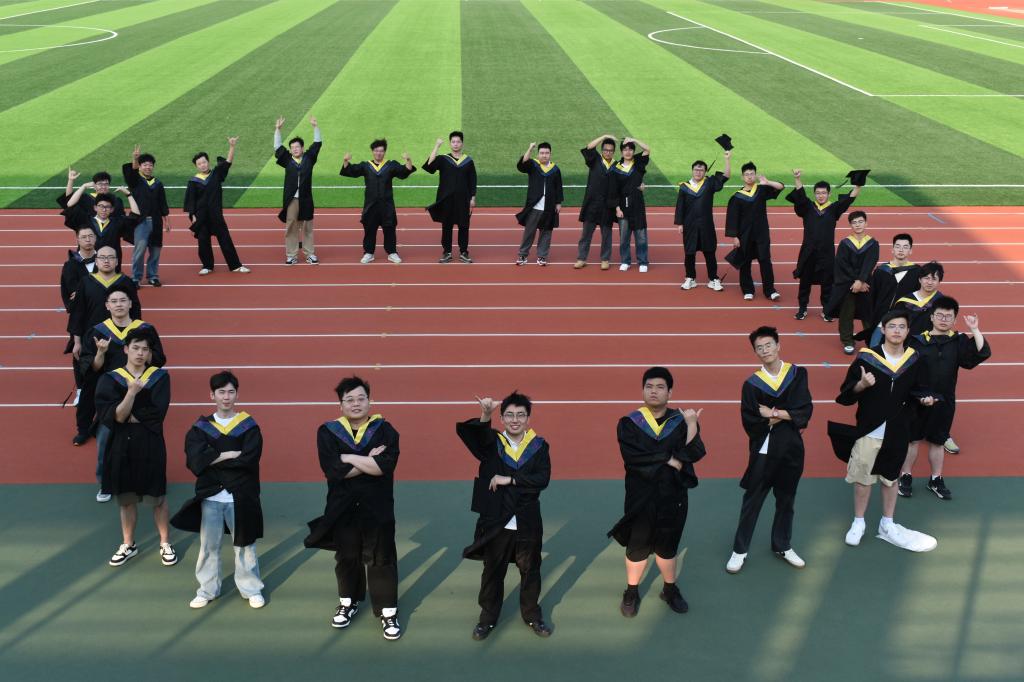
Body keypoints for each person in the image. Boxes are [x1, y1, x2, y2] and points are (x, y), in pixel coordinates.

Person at [828, 310, 938, 552]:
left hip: (897, 430)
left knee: (891, 478)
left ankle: (887, 523)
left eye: (902, 327)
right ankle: (858, 522)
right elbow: (845, 396)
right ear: (883, 330)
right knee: (863, 479)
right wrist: (861, 385)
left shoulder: (915, 360)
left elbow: (921, 390)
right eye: (892, 326)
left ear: (908, 331)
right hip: (869, 430)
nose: (897, 331)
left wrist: (926, 399)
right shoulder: (866, 358)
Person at [304, 377, 403, 641]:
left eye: (361, 398)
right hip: (342, 508)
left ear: (370, 401)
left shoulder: (385, 430)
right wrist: (367, 460)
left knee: (381, 557)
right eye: (349, 399)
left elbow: (384, 467)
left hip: (378, 508)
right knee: (347, 556)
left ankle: (388, 611)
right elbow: (334, 471)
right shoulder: (327, 432)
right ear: (341, 405)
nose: (356, 404)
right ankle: (348, 602)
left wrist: (348, 457)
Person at [609, 367, 706, 617]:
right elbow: (633, 457)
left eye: (660, 387)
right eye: (649, 387)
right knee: (637, 547)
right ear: (643, 390)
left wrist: (692, 425)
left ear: (670, 393)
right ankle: (631, 591)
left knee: (668, 546)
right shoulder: (629, 423)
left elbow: (694, 452)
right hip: (640, 497)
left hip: (673, 496)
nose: (654, 391)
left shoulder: (681, 421)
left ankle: (669, 589)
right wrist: (669, 458)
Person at [456, 392, 552, 641]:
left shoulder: (539, 446)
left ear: (528, 418)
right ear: (501, 418)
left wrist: (509, 479)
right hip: (497, 520)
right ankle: (487, 618)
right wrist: (485, 414)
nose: (515, 420)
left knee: (530, 570)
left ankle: (532, 615)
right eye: (509, 415)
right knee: (492, 571)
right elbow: (478, 439)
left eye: (520, 415)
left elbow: (542, 479)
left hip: (527, 520)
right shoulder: (493, 445)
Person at [171, 371, 266, 609]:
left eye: (231, 392)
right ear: (212, 395)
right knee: (208, 547)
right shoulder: (200, 428)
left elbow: (248, 460)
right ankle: (207, 589)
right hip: (211, 496)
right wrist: (228, 454)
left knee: (245, 545)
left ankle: (251, 588)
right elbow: (195, 461)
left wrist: (211, 458)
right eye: (221, 392)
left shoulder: (249, 427)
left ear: (237, 395)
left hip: (240, 495)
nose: (226, 397)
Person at [726, 327, 812, 574]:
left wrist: (773, 413)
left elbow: (804, 410)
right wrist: (784, 415)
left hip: (791, 448)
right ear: (755, 352)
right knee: (752, 500)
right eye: (759, 348)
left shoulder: (797, 374)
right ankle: (739, 550)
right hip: (764, 450)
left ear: (778, 345)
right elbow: (750, 419)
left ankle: (782, 544)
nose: (765, 350)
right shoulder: (751, 384)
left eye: (768, 345)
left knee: (786, 500)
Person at [94, 327, 176, 567]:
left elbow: (156, 414)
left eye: (145, 349)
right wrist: (131, 394)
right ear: (126, 349)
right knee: (127, 499)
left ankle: (165, 543)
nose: (140, 353)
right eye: (136, 348)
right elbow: (114, 417)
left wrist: (125, 412)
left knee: (157, 497)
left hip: (151, 443)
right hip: (121, 445)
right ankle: (128, 544)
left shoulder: (160, 377)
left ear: (150, 354)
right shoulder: (110, 378)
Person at [899, 298, 990, 500]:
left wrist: (974, 329)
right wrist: (919, 396)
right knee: (912, 440)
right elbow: (904, 371)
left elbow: (981, 352)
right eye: (939, 315)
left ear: (954, 320)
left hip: (944, 400)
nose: (943, 319)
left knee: (938, 441)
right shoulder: (916, 341)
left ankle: (935, 479)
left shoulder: (958, 341)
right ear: (931, 317)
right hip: (916, 400)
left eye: (948, 316)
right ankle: (905, 476)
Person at [79, 289, 164, 502]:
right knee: (106, 440)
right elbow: (92, 369)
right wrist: (100, 352)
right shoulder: (98, 331)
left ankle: (147, 481)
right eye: (114, 301)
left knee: (146, 440)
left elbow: (159, 360)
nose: (119, 305)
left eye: (123, 300)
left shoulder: (146, 330)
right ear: (107, 305)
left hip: (142, 390)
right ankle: (106, 483)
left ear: (130, 304)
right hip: (111, 392)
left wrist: (143, 350)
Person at [67, 246, 141, 446]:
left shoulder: (125, 282)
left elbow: (136, 312)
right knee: (89, 388)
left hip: (121, 342)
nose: (107, 261)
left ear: (117, 261)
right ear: (96, 260)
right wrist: (77, 341)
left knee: (121, 385)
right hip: (93, 342)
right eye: (102, 257)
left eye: (111, 257)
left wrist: (136, 341)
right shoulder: (86, 282)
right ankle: (83, 429)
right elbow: (78, 313)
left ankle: (117, 422)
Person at [787, 172, 859, 318]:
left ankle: (827, 309)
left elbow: (849, 199)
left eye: (824, 193)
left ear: (829, 194)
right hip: (809, 251)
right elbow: (800, 194)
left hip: (826, 253)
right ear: (814, 194)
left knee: (827, 282)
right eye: (818, 193)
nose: (821, 196)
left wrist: (858, 185)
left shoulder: (834, 208)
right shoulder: (808, 207)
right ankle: (802, 308)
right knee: (805, 282)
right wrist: (797, 178)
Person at [340, 138, 416, 264]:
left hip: (387, 205)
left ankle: (392, 252)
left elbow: (405, 171)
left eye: (381, 151)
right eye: (376, 151)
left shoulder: (391, 165)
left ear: (384, 152)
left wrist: (408, 160)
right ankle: (369, 253)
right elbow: (350, 170)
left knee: (389, 229)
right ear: (372, 151)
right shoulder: (366, 166)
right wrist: (346, 160)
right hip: (371, 205)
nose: (378, 153)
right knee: (369, 229)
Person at [184, 137, 250, 276]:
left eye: (204, 162)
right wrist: (193, 218)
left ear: (208, 162)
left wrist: (232, 146)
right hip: (201, 217)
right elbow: (191, 202)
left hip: (216, 215)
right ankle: (207, 266)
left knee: (225, 239)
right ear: (196, 166)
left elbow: (228, 162)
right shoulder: (193, 182)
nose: (202, 165)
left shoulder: (216, 174)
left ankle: (235, 265)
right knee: (203, 241)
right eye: (199, 163)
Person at [725, 163, 784, 300]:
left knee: (765, 261)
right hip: (744, 235)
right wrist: (734, 236)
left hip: (761, 233)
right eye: (747, 174)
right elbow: (732, 218)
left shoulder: (761, 190)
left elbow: (781, 187)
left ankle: (770, 290)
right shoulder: (737, 197)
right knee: (745, 263)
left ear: (755, 175)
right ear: (742, 177)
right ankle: (748, 290)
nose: (749, 177)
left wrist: (768, 182)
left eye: (752, 174)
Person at [823, 211, 879, 355]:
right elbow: (842, 265)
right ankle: (847, 341)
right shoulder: (845, 243)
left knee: (869, 314)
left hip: (865, 284)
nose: (857, 225)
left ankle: (872, 341)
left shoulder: (873, 243)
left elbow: (870, 263)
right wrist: (856, 281)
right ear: (850, 225)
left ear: (866, 223)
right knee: (846, 313)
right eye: (854, 222)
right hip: (848, 284)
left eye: (860, 221)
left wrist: (861, 281)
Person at [675, 151, 731, 291]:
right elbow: (680, 206)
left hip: (706, 225)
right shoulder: (684, 187)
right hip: (690, 225)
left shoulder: (709, 183)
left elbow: (726, 176)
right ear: (692, 171)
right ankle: (690, 278)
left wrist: (727, 159)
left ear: (705, 172)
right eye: (696, 170)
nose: (698, 172)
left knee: (710, 252)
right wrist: (680, 223)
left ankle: (713, 279)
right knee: (689, 253)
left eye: (701, 170)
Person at [274, 116, 322, 265]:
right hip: (292, 200)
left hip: (306, 198)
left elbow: (317, 143)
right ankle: (291, 255)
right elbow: (277, 147)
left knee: (307, 227)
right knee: (291, 227)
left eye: (297, 147)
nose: (294, 149)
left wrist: (315, 127)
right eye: (292, 147)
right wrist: (278, 130)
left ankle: (310, 254)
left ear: (302, 148)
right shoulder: (287, 160)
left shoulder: (309, 158)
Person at [423, 131, 476, 263]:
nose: (456, 144)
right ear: (450, 143)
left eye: (458, 142)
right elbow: (429, 165)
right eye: (453, 142)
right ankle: (447, 252)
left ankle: (464, 252)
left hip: (463, 199)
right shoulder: (443, 159)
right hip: (446, 198)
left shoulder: (468, 161)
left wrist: (473, 197)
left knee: (464, 225)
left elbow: (472, 180)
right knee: (446, 226)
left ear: (462, 144)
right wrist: (437, 146)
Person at [123, 146, 170, 287]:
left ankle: (152, 276)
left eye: (150, 165)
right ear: (140, 166)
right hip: (140, 222)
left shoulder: (158, 183)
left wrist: (166, 220)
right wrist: (135, 159)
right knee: (140, 250)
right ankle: (136, 277)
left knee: (155, 251)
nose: (148, 167)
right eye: (145, 165)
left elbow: (163, 203)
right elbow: (131, 173)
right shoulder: (135, 181)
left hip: (156, 221)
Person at [60, 226, 97, 409]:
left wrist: (83, 294)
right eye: (84, 237)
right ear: (77, 240)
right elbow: (69, 293)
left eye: (91, 236)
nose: (88, 240)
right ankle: (81, 390)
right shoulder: (70, 265)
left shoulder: (106, 259)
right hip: (80, 318)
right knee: (79, 353)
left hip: (103, 315)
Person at [66, 190, 142, 274]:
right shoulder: (86, 220)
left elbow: (135, 215)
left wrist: (129, 194)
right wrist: (83, 187)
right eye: (101, 206)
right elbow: (70, 205)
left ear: (112, 209)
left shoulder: (117, 222)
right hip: (88, 261)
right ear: (95, 208)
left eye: (107, 207)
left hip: (109, 263)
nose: (104, 209)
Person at [515, 142, 563, 266]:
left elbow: (558, 187)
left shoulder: (555, 169)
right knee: (529, 232)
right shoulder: (533, 165)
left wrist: (558, 202)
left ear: (550, 154)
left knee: (546, 233)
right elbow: (523, 164)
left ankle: (542, 256)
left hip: (549, 206)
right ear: (538, 154)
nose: (544, 155)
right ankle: (523, 254)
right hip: (534, 206)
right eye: (542, 153)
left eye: (547, 153)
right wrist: (530, 148)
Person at [608, 137, 651, 272]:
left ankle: (642, 261)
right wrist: (617, 208)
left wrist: (634, 140)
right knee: (624, 237)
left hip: (637, 204)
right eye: (625, 149)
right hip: (623, 205)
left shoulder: (638, 162)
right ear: (621, 152)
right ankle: (625, 261)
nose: (628, 152)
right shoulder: (615, 168)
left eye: (630, 149)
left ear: (633, 151)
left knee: (641, 236)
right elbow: (613, 190)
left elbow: (647, 149)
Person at [575, 135, 617, 270]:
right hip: (592, 205)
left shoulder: (617, 166)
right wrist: (604, 136)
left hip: (607, 207)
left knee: (606, 236)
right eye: (605, 150)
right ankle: (581, 258)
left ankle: (605, 259)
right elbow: (589, 147)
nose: (608, 152)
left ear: (614, 152)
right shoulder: (595, 160)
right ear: (602, 150)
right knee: (586, 235)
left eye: (610, 150)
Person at [866, 233, 920, 336]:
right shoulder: (881, 271)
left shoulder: (916, 272)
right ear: (892, 249)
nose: (901, 250)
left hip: (904, 319)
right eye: (898, 246)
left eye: (905, 247)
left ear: (910, 251)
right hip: (881, 318)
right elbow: (873, 296)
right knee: (876, 343)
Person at [59, 169, 124, 226]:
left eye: (106, 184)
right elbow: (69, 202)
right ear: (94, 186)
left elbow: (121, 220)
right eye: (100, 184)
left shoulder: (116, 201)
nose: (103, 187)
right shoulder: (86, 199)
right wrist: (72, 181)